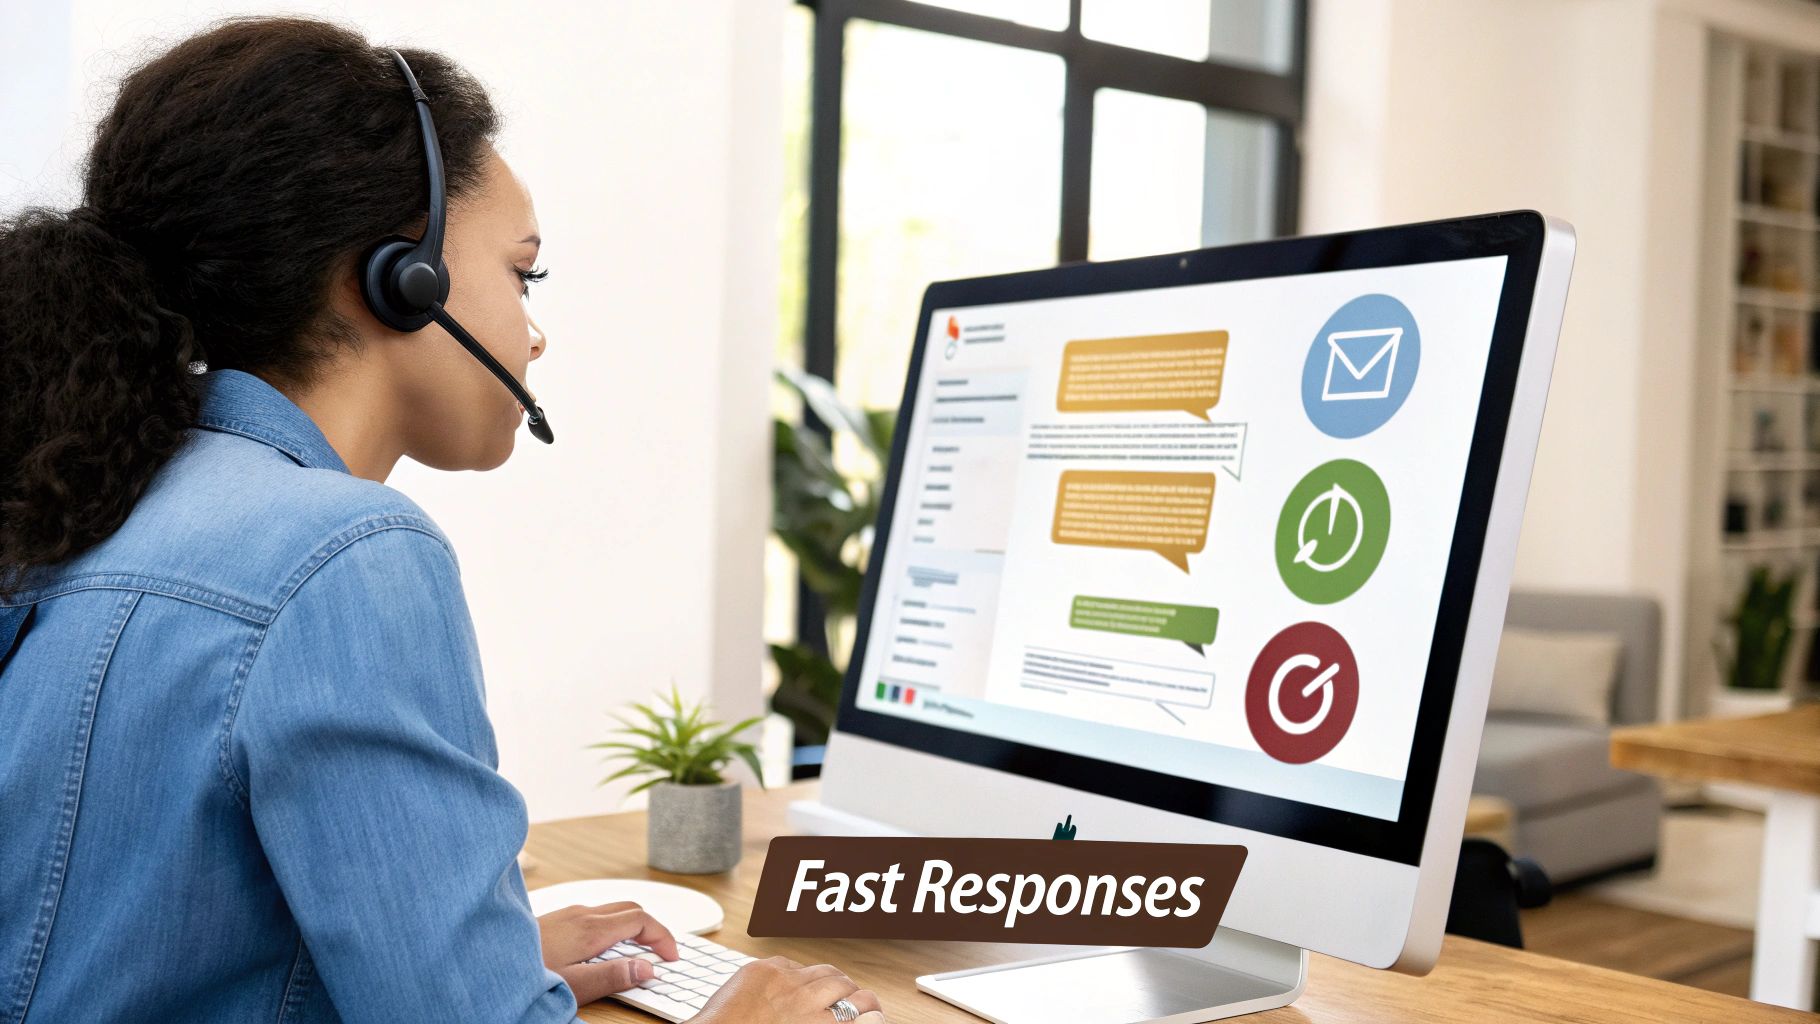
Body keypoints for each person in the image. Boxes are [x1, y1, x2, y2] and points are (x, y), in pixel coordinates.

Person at [0, 16, 884, 1024]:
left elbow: (151, 938)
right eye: (521, 272)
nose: (534, 334)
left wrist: (466, 946)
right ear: (396, 276)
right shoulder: (338, 551)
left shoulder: (103, 491)